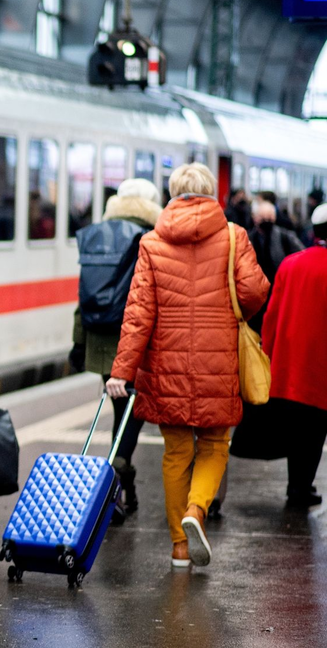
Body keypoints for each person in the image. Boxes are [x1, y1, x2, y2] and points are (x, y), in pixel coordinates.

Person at [107, 163, 268, 569]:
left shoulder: (152, 243)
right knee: (214, 445)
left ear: (173, 192)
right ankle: (196, 510)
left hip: (166, 365)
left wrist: (121, 372)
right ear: (211, 192)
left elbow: (138, 314)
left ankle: (180, 547)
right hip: (220, 361)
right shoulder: (234, 236)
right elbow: (254, 294)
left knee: (177, 452)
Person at [70, 179, 163, 518]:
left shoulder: (97, 234)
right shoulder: (152, 238)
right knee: (132, 417)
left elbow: (84, 296)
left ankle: (122, 486)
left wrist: (78, 343)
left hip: (102, 341)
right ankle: (118, 476)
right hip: (140, 342)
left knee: (121, 411)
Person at [261, 204, 327, 508]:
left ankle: (296, 485)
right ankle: (303, 486)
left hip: (290, 362)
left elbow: (271, 316)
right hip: (321, 364)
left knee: (297, 426)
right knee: (316, 428)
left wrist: (268, 355)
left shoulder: (291, 263)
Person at [247, 200, 304, 333]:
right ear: (255, 218)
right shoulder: (247, 238)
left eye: (270, 217)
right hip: (256, 297)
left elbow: (301, 256)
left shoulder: (286, 237)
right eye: (263, 217)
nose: (267, 220)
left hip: (278, 294)